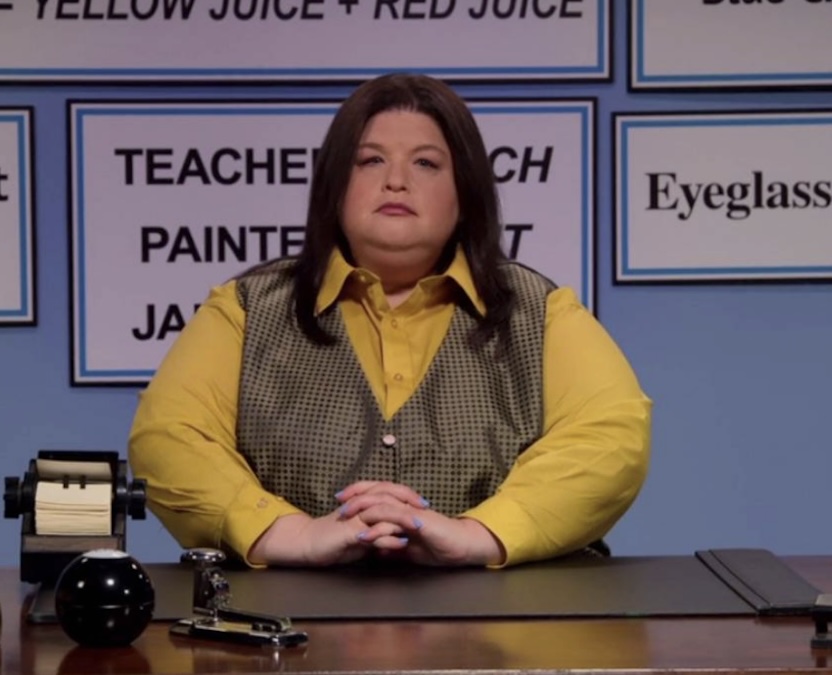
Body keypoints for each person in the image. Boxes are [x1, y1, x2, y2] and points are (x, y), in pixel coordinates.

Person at [128, 73, 651, 568]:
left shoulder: (543, 311)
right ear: (334, 189)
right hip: (285, 635)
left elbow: (610, 439)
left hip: (504, 634)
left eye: (426, 164)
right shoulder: (245, 309)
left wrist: (479, 535)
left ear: (465, 195)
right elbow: (169, 437)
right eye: (370, 161)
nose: (396, 181)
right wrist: (288, 535)